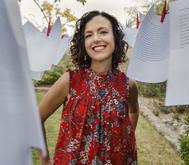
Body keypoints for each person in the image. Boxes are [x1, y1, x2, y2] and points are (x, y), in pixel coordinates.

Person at [38, 10, 139, 165]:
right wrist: (45, 160)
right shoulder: (70, 81)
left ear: (115, 37)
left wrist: (126, 140)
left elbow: (134, 111)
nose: (96, 39)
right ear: (83, 44)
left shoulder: (128, 85)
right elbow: (37, 118)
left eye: (103, 32)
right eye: (89, 35)